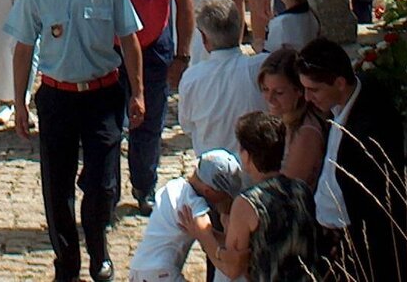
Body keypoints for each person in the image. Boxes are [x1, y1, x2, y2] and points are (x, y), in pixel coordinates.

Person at [5, 0, 145, 282]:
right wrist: (18, 102)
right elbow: (22, 48)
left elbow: (129, 40)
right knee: (57, 185)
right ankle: (66, 262)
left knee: (102, 184)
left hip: (102, 94)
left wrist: (138, 93)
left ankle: (98, 248)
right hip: (57, 95)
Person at [85, 0, 195, 215]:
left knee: (149, 123)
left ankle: (145, 187)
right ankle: (107, 191)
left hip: (153, 45)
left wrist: (182, 55)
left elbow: (183, 1)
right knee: (106, 126)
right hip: (107, 50)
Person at [297, 37, 407, 279]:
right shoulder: (343, 104)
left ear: (339, 82)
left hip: (359, 249)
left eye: (313, 89)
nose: (307, 98)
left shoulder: (368, 130)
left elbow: (375, 208)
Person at [178, 109, 318, 282]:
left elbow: (233, 269)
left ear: (247, 155)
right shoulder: (301, 189)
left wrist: (204, 236)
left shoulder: (247, 203)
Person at [129, 148, 244, 282]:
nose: (227, 200)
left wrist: (223, 239)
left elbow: (207, 234)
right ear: (208, 191)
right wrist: (228, 257)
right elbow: (211, 247)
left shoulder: (173, 187)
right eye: (225, 195)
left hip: (139, 268)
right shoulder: (195, 205)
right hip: (161, 273)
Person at [177, 0, 266, 155]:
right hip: (256, 164)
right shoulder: (260, 67)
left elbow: (187, 125)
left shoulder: (192, 78)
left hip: (212, 169)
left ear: (204, 38)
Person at [257, 44, 326, 187]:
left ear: (299, 91)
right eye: (265, 89)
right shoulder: (287, 121)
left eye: (279, 92)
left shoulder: (306, 133)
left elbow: (288, 189)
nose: (269, 98)